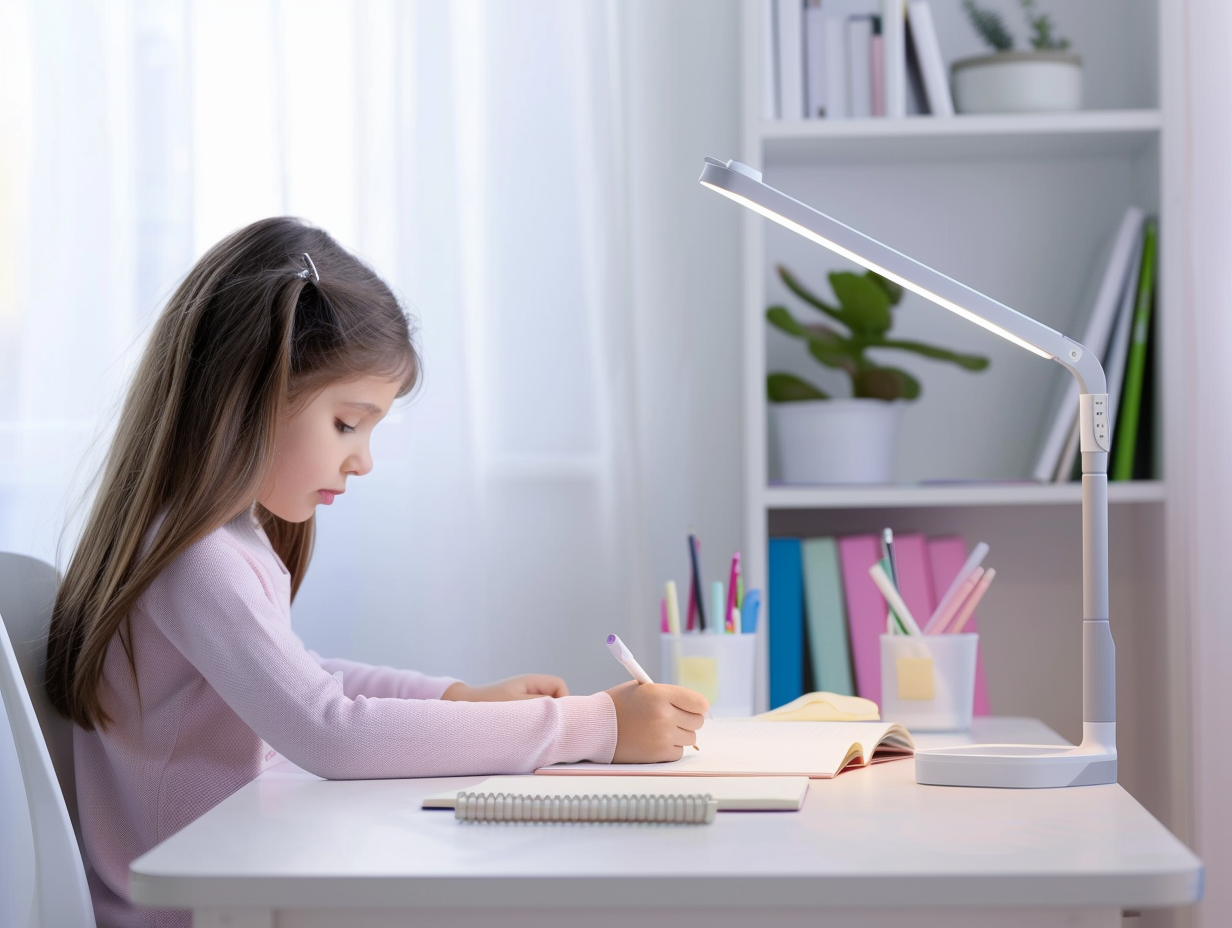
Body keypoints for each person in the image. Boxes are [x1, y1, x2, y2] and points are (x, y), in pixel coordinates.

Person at [44, 217, 708, 928]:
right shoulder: (195, 559)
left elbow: (303, 675)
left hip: (234, 881)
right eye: (347, 424)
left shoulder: (222, 541)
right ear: (248, 390)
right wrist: (594, 725)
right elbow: (331, 731)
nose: (363, 460)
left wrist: (458, 698)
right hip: (198, 909)